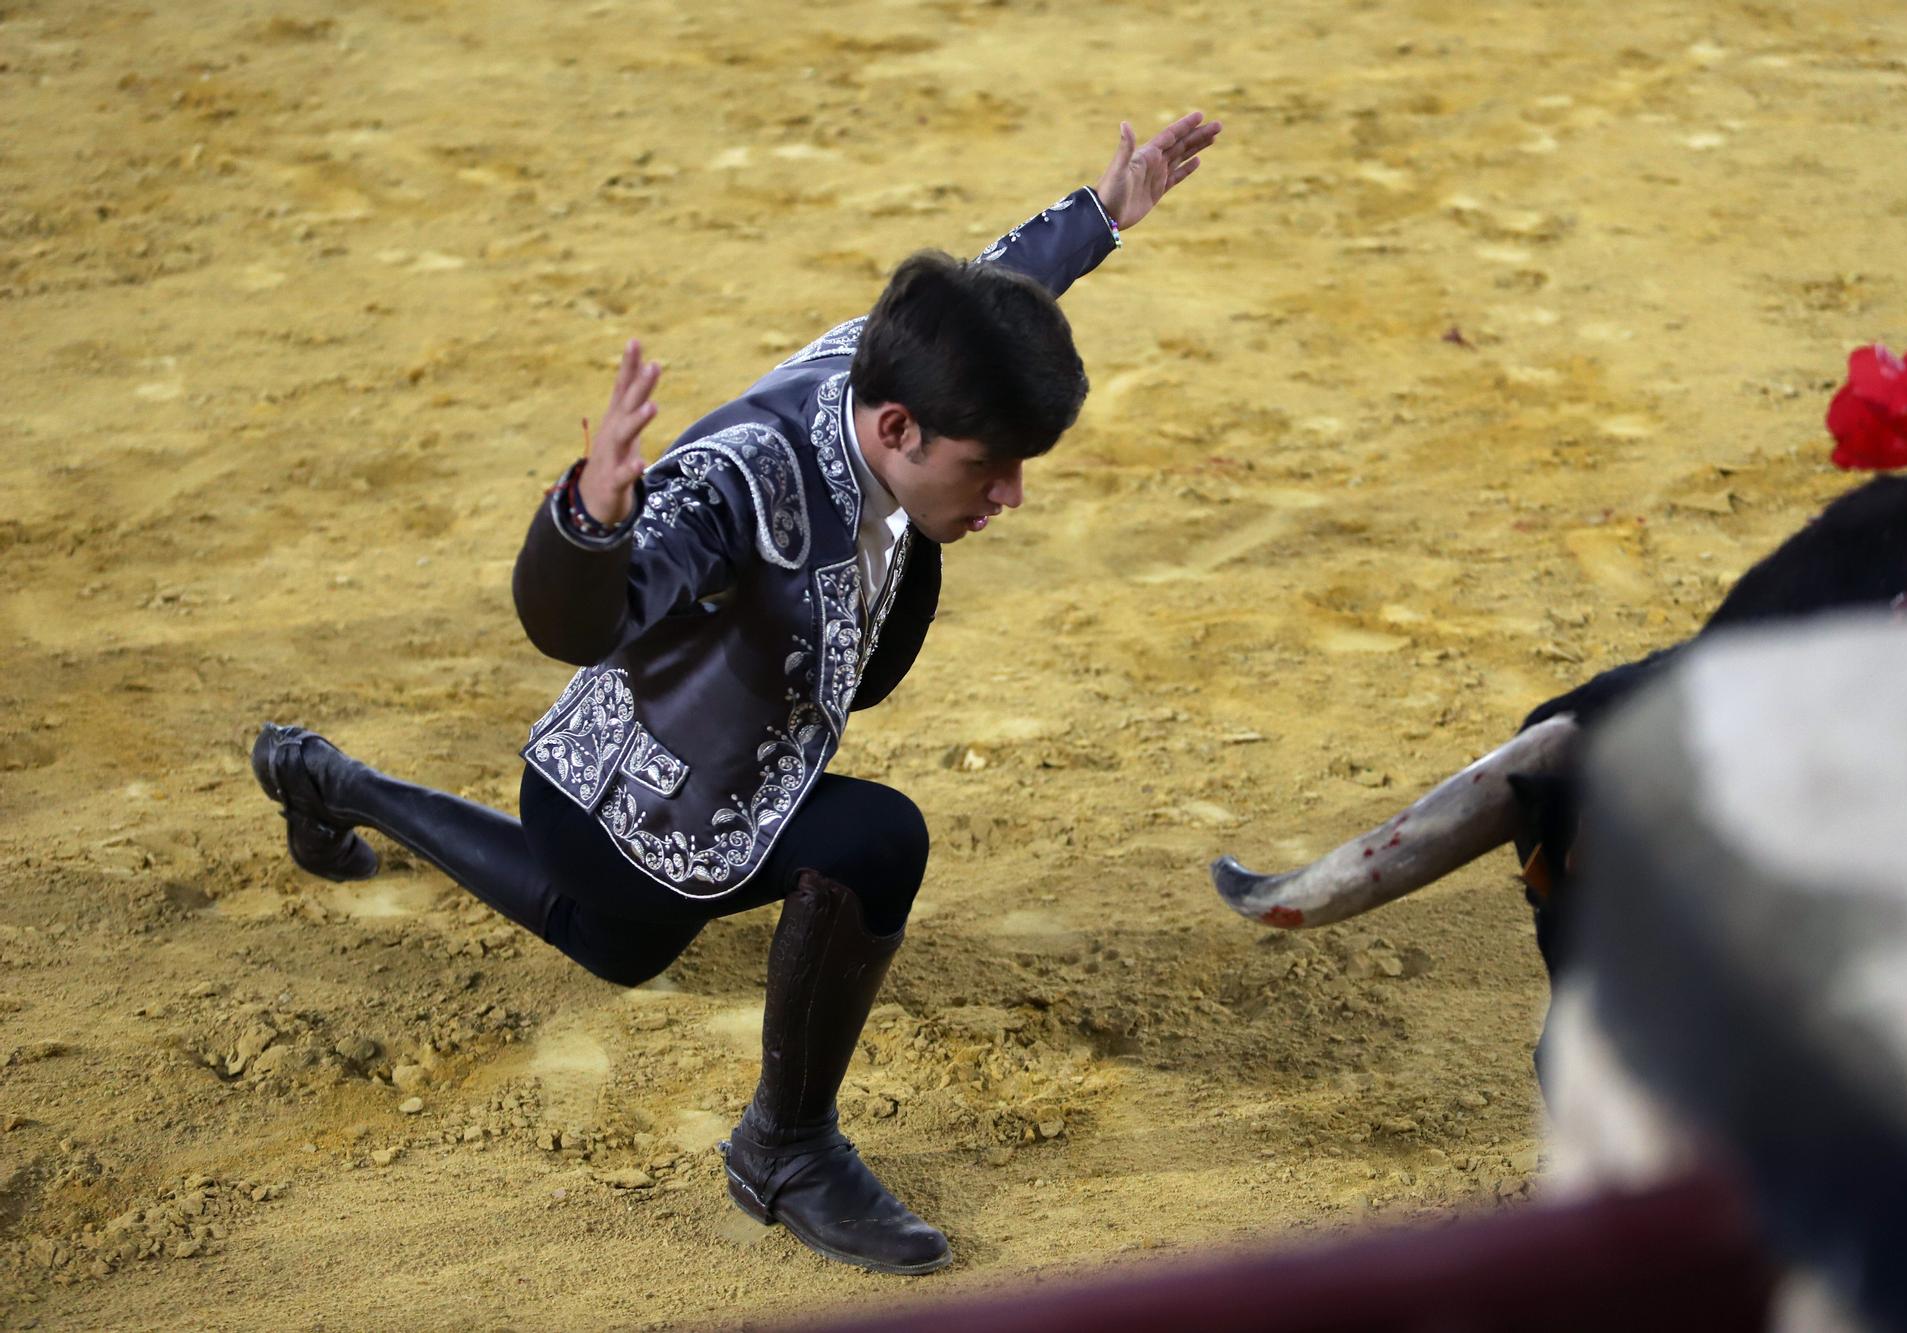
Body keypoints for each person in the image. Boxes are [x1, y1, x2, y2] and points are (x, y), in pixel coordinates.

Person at [249, 112, 1222, 1275]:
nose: (1010, 494)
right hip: (634, 802)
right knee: (874, 843)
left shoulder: (892, 360)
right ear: (898, 428)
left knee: (615, 949)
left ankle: (335, 781)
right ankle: (788, 1147)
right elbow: (579, 622)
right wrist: (588, 522)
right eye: (989, 467)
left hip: (671, 769)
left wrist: (1100, 217)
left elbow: (986, 290)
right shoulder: (734, 480)